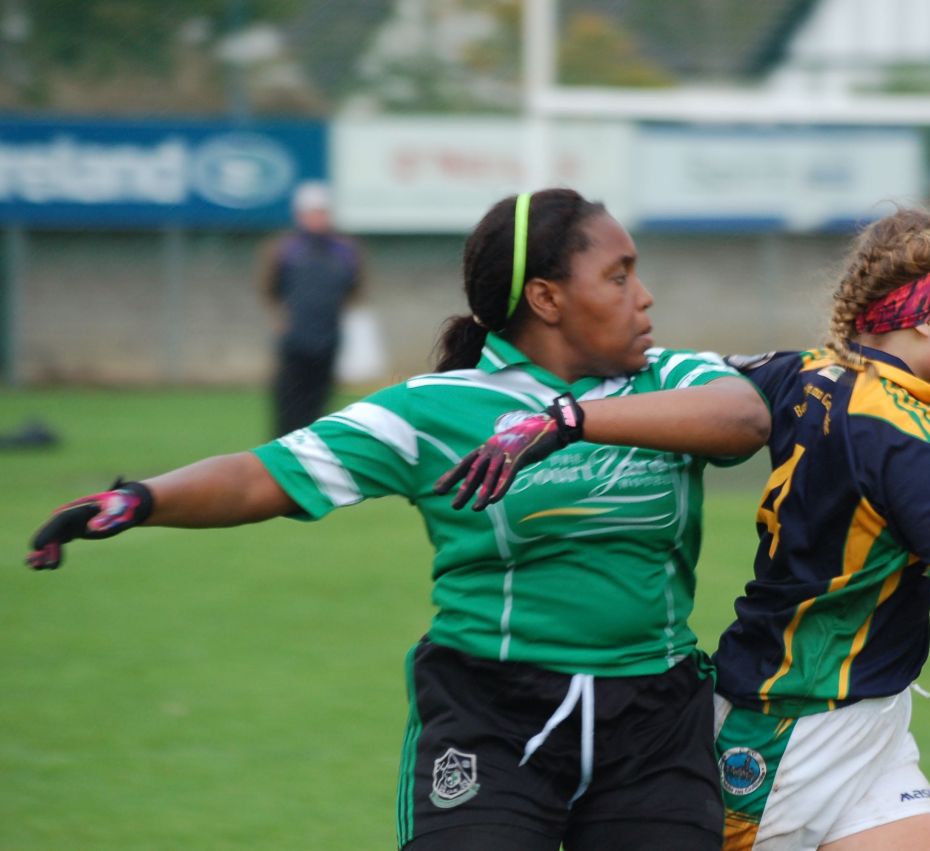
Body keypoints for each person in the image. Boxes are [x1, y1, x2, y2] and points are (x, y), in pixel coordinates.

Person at [27, 188, 771, 851]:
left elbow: (744, 416)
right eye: (618, 275)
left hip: (654, 723)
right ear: (546, 298)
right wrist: (139, 499)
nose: (643, 296)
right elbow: (265, 475)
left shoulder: (672, 380)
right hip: (494, 717)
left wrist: (571, 420)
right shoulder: (432, 409)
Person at [442, 203, 930, 850]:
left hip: (866, 724)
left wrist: (569, 414)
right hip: (792, 733)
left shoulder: (805, 373)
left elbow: (688, 380)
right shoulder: (915, 442)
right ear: (923, 317)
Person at [261, 180, 365, 438]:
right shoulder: (284, 249)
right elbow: (270, 288)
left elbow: (355, 287)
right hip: (295, 337)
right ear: (300, 215)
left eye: (323, 212)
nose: (319, 218)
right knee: (288, 402)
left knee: (319, 402)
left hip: (329, 336)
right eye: (313, 212)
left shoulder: (345, 250)